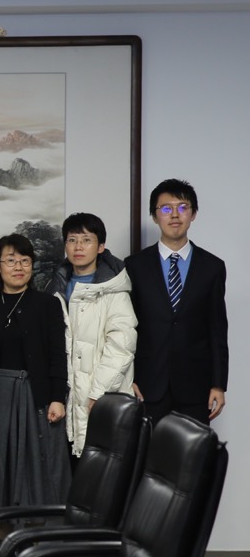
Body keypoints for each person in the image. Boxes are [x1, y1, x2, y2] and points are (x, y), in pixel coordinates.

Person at [0, 234, 69, 517]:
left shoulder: (47, 304)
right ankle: (1, 537)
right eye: (11, 260)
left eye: (25, 261)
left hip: (36, 395)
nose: (18, 267)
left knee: (35, 473)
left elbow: (58, 354)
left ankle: (33, 540)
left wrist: (57, 398)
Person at [125, 178, 228, 426]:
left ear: (193, 214)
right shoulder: (134, 266)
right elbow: (127, 328)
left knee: (193, 451)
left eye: (183, 207)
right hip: (147, 384)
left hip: (196, 386)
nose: (174, 215)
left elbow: (217, 329)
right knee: (146, 450)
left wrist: (218, 384)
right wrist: (128, 378)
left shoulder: (212, 267)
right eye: (166, 208)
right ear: (154, 216)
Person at [45, 212, 136, 461]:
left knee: (102, 473)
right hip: (66, 403)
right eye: (72, 240)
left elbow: (121, 348)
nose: (78, 247)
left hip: (101, 398)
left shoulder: (114, 292)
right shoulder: (54, 290)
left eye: (86, 240)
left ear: (101, 247)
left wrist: (98, 394)